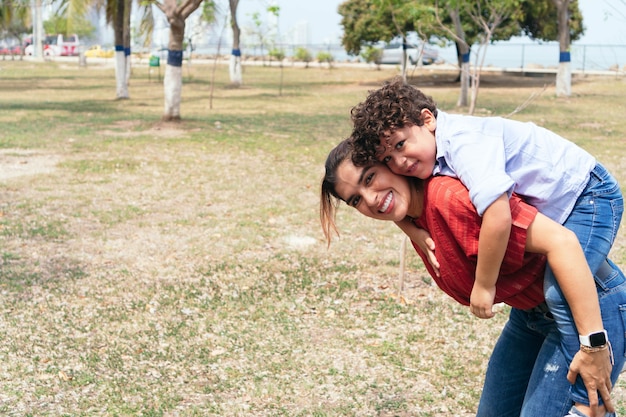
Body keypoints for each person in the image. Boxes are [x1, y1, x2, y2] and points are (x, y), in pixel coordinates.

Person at [348, 78, 625, 416]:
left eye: (401, 145)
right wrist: (409, 228)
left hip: (588, 194)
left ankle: (587, 393)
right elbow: (392, 198)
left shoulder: (466, 144)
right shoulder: (428, 157)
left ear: (428, 119)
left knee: (557, 291)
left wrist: (484, 285)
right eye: (387, 158)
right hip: (550, 247)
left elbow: (497, 215)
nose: (400, 162)